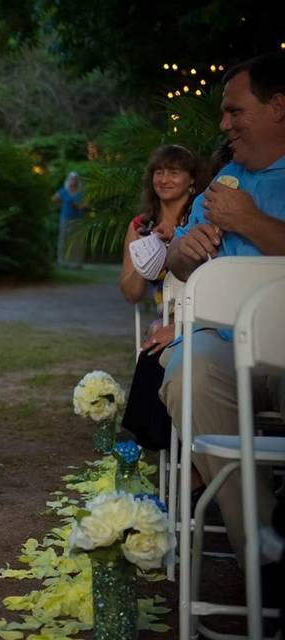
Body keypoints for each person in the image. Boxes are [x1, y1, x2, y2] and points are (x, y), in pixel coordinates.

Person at [160, 52, 285, 590]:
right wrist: (185, 251)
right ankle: (264, 554)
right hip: (223, 342)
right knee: (187, 372)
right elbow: (179, 264)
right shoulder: (224, 179)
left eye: (235, 111)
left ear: (278, 107)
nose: (224, 124)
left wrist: (253, 223)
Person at [119, 145, 202, 451]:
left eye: (174, 172)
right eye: (159, 171)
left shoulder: (202, 219)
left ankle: (150, 445)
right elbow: (131, 294)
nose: (164, 179)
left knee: (156, 351)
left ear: (192, 181)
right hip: (161, 317)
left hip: (198, 315)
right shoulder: (140, 225)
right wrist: (148, 254)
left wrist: (176, 241)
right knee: (154, 344)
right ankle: (152, 446)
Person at [53, 171, 84, 266]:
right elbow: (54, 198)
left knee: (76, 241)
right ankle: (62, 261)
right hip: (65, 218)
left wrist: (75, 204)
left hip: (77, 219)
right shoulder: (64, 190)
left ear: (77, 181)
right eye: (71, 179)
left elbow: (83, 206)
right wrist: (60, 202)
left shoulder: (81, 192)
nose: (72, 181)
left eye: (74, 179)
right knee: (63, 240)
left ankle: (76, 262)